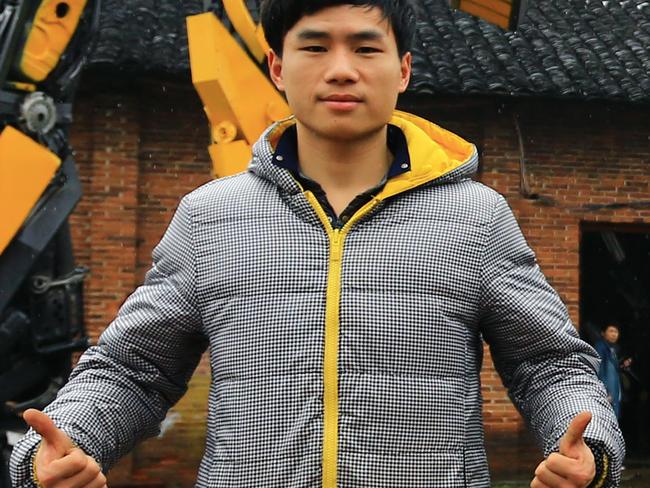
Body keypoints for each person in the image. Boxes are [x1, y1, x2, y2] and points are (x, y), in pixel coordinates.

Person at [11, 1, 624, 487]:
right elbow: (133, 370)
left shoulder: (476, 217)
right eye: (314, 46)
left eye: (365, 47)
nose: (340, 68)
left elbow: (549, 366)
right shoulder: (210, 216)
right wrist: (63, 443)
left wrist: (590, 447)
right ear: (278, 68)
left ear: (403, 70)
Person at [595, 323, 630, 420]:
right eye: (611, 331)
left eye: (616, 332)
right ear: (603, 333)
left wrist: (622, 365)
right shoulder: (600, 347)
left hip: (614, 393)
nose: (614, 334)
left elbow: (614, 369)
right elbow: (599, 370)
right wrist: (605, 391)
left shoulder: (613, 349)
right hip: (607, 394)